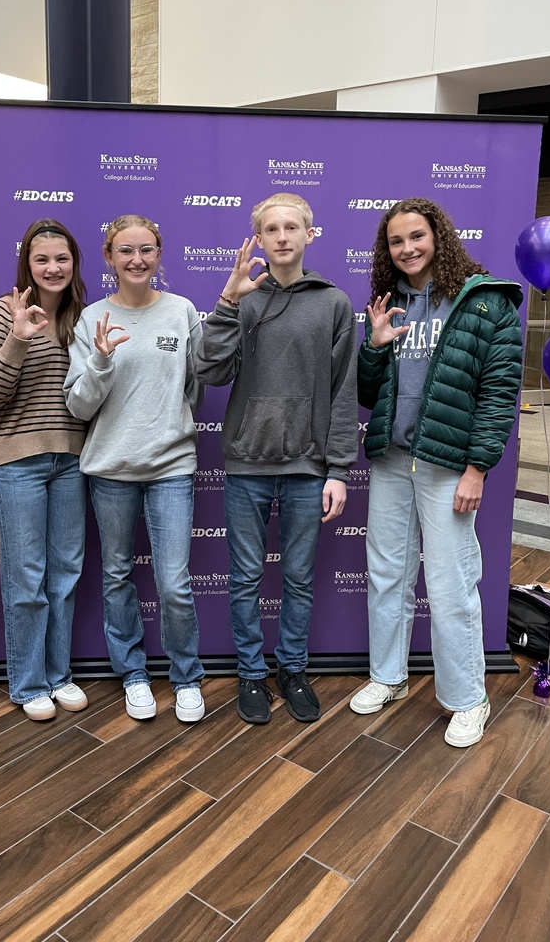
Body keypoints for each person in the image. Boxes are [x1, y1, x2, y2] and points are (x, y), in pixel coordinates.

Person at [350, 197, 523, 747]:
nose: (407, 249)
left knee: (450, 587)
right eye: (396, 241)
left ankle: (467, 698)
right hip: (393, 462)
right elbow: (365, 394)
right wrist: (374, 347)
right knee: (387, 576)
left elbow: (498, 396)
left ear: (439, 236)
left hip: (449, 467)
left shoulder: (483, 303)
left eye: (416, 237)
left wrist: (477, 469)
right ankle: (389, 676)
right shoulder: (389, 303)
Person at [196, 193, 358, 724]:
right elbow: (211, 371)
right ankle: (250, 672)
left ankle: (291, 668)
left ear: (310, 235)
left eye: (292, 227)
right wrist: (225, 302)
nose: (282, 236)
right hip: (246, 464)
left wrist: (338, 470)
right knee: (243, 578)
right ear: (259, 240)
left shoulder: (334, 303)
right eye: (272, 229)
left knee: (299, 580)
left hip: (308, 468)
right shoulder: (243, 299)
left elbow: (341, 392)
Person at [64, 215, 206, 723]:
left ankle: (186, 677)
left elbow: (196, 386)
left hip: (170, 465)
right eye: (126, 251)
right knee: (117, 574)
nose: (137, 260)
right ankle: (134, 675)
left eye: (146, 250)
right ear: (109, 257)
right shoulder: (91, 320)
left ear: (159, 253)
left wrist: (168, 422)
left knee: (173, 582)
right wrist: (101, 362)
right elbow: (78, 406)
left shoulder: (183, 312)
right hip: (110, 469)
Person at [0, 219, 89, 722]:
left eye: (61, 258)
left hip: (72, 461)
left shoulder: (84, 317)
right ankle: (27, 684)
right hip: (15, 463)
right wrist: (18, 340)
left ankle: (59, 674)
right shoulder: (4, 311)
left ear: (74, 263)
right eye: (42, 259)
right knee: (27, 577)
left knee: (64, 573)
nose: (53, 268)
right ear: (27, 263)